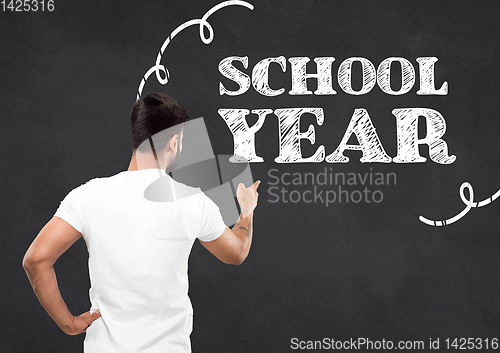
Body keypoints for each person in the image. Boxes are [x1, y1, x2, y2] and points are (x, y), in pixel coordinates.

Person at [22, 92, 260, 353]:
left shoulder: (88, 195)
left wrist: (68, 323)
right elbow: (236, 253)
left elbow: (36, 260)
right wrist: (246, 210)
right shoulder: (193, 201)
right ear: (174, 142)